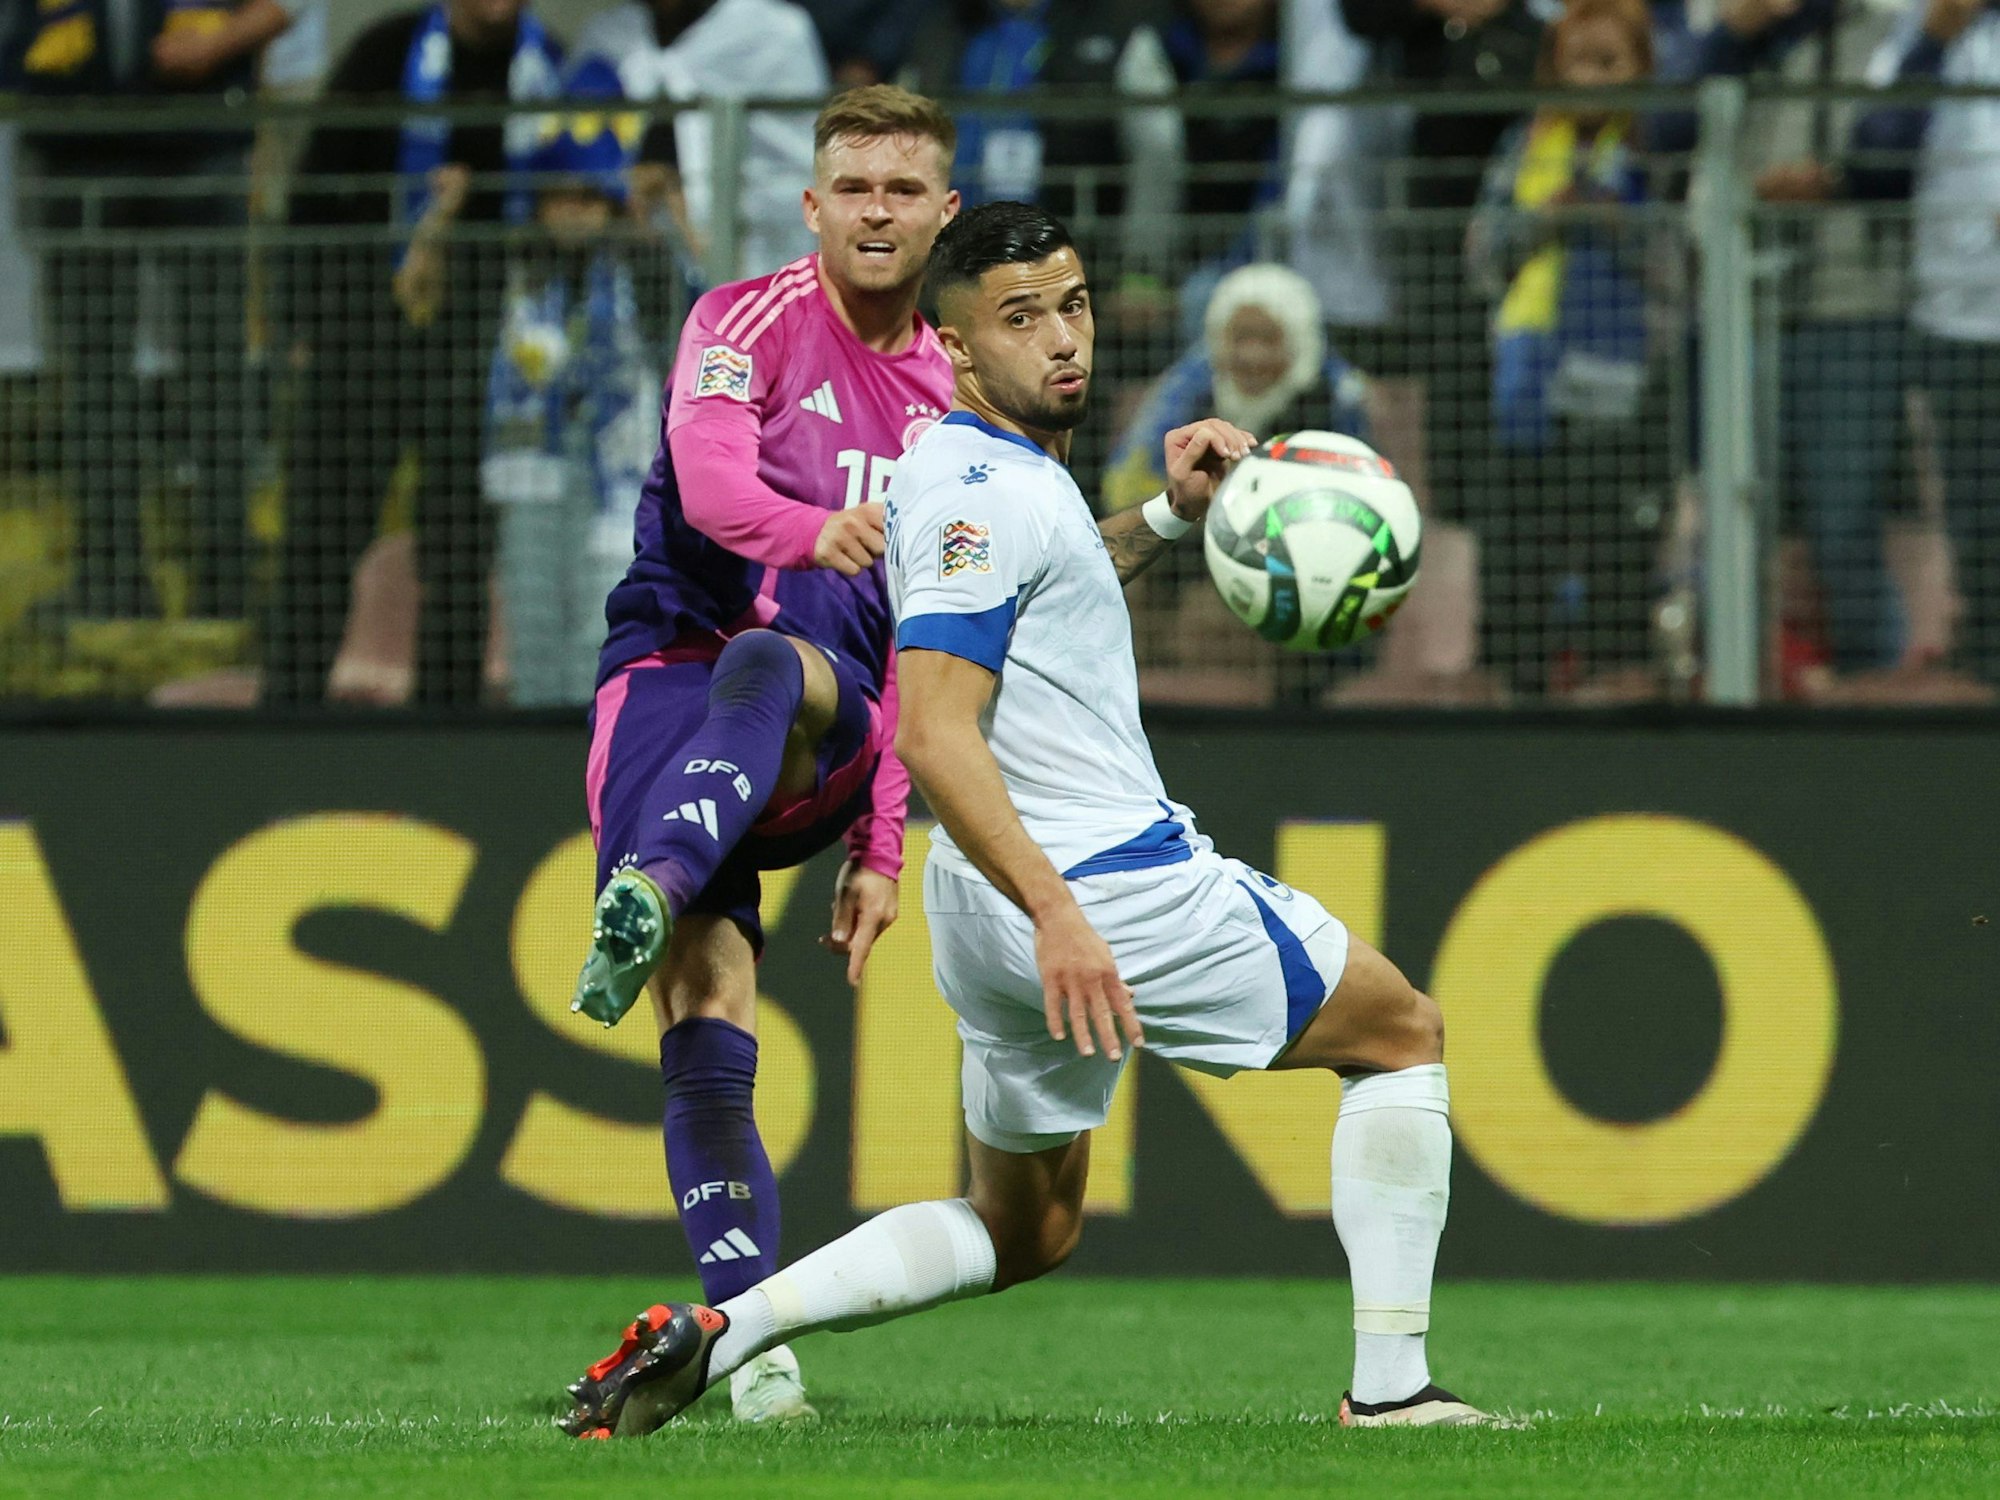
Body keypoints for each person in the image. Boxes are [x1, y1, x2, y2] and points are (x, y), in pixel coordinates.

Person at [556, 202, 1497, 1438]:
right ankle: (1392, 1391)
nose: (1062, 341)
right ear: (950, 347)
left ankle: (730, 1329)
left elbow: (1030, 585)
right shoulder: (984, 493)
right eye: (1019, 319)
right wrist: (1057, 911)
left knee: (1024, 1227)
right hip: (1096, 884)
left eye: (1074, 306)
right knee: (1400, 1034)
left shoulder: (965, 472)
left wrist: (1163, 516)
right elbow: (936, 727)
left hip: (980, 902)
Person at [569, 86, 960, 1424]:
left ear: (941, 212)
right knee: (707, 1009)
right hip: (667, 689)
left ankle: (656, 882)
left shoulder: (954, 391)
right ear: (812, 204)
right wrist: (814, 531)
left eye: (903, 190)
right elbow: (713, 479)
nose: (876, 211)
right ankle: (751, 1346)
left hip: (826, 718)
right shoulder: (739, 324)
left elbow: (928, 645)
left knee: (773, 665)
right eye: (854, 186)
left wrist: (882, 844)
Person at [267, 0, 563, 705]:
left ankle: (448, 721)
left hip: (485, 349)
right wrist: (303, 324)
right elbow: (312, 195)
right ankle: (287, 711)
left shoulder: (552, 68)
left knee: (459, 546)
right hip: (365, 335)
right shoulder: (384, 52)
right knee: (322, 534)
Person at [12, 0, 293, 625]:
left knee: (216, 374)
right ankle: (110, 582)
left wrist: (217, 47)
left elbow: (284, 6)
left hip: (198, 145)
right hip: (73, 156)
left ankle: (227, 581)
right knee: (94, 384)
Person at [1465, 0, 1680, 696]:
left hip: (1629, 401)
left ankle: (1617, 689)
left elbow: (1687, 271)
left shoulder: (1661, 150)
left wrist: (1622, 223)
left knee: (1619, 555)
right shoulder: (1521, 150)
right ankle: (1516, 689)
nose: (1589, 79)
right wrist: (1542, 220)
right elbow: (1481, 258)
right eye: (1576, 62)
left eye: (1608, 63)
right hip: (1528, 392)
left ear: (1642, 69)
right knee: (1519, 552)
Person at [482, 62, 658, 705]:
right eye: (561, 198)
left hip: (618, 475)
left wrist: (648, 223)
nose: (574, 213)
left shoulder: (644, 267)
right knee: (532, 615)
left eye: (588, 199)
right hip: (531, 466)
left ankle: (600, 758)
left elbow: (694, 310)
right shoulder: (515, 270)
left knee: (604, 616)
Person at [1851, 0, 2000, 685]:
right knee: (1977, 504)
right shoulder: (1913, 35)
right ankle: (1988, 652)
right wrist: (1933, 45)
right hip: (1957, 317)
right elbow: (1875, 157)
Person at [575, 0, 829, 281]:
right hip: (630, 267)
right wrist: (618, 190)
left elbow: (795, 175)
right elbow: (570, 161)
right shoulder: (608, 36)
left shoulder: (775, 33)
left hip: (752, 267)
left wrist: (697, 207)